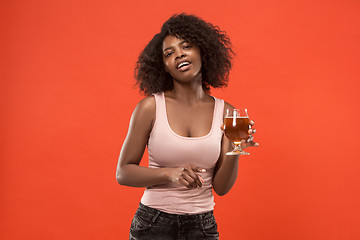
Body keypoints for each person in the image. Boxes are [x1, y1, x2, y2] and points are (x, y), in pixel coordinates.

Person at [116, 13, 258, 240]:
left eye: (186, 46)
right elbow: (123, 173)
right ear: (164, 65)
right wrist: (170, 174)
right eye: (169, 53)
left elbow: (221, 189)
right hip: (152, 223)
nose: (179, 54)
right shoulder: (150, 108)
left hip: (201, 225)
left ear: (203, 51)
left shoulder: (227, 112)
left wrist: (235, 148)